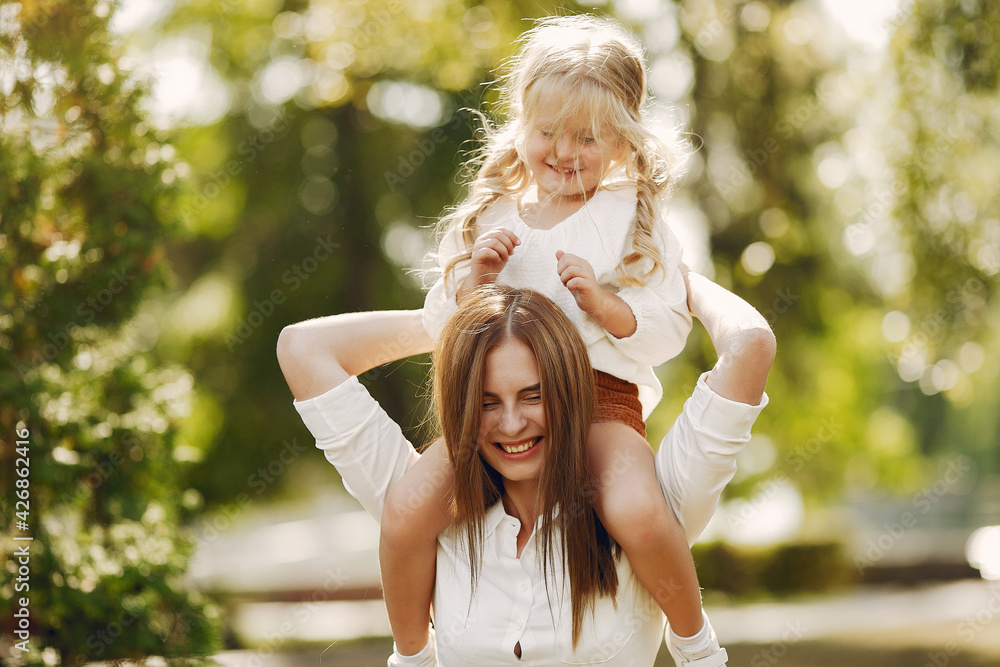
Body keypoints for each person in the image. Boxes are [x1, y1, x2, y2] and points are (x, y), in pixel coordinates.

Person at [383, 13, 713, 665]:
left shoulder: (631, 219)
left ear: (621, 140)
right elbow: (444, 330)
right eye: (547, 131)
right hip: (497, 410)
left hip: (599, 403)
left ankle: (697, 644)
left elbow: (669, 329)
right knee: (406, 509)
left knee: (639, 511)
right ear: (521, 124)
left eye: (587, 137)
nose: (564, 151)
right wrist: (473, 282)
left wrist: (606, 306)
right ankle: (414, 654)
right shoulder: (493, 214)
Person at [276, 272, 775, 666]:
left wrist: (680, 283)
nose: (511, 424)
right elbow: (302, 349)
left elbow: (750, 346)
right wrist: (453, 322)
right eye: (486, 402)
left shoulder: (646, 504)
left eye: (533, 396)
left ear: (568, 391)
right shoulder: (424, 505)